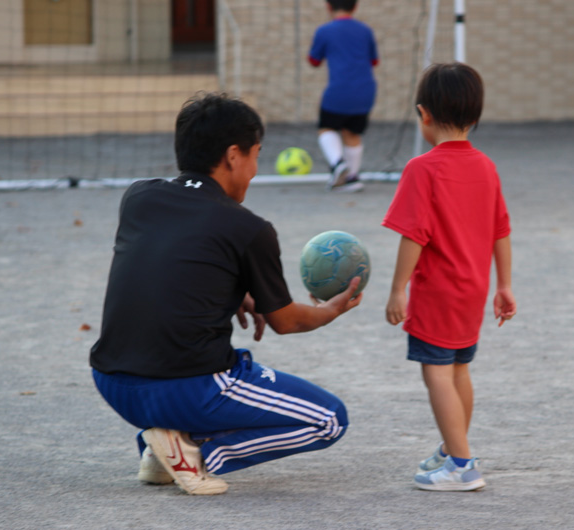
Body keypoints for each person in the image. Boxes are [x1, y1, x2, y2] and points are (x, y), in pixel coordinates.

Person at [89, 92, 363, 495]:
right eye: (255, 155)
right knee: (329, 419)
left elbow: (170, 264)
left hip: (112, 382)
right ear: (234, 155)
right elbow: (285, 321)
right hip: (187, 388)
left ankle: (159, 446)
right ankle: (194, 452)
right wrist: (331, 311)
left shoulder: (139, 197)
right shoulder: (248, 228)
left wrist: (231, 293)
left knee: (183, 368)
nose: (254, 169)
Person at [382, 63, 517, 492]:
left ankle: (462, 466)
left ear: (423, 114)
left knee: (436, 373)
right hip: (473, 289)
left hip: (438, 292)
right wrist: (505, 285)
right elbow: (501, 230)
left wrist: (397, 288)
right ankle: (451, 446)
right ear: (474, 116)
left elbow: (413, 237)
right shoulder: (486, 166)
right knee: (459, 369)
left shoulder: (423, 169)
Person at [308, 0, 378, 192]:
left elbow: (314, 60)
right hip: (366, 89)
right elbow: (374, 60)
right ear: (355, 7)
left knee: (326, 128)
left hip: (339, 90)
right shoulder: (365, 30)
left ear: (328, 6)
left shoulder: (324, 31)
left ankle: (338, 164)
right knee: (352, 133)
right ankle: (352, 178)